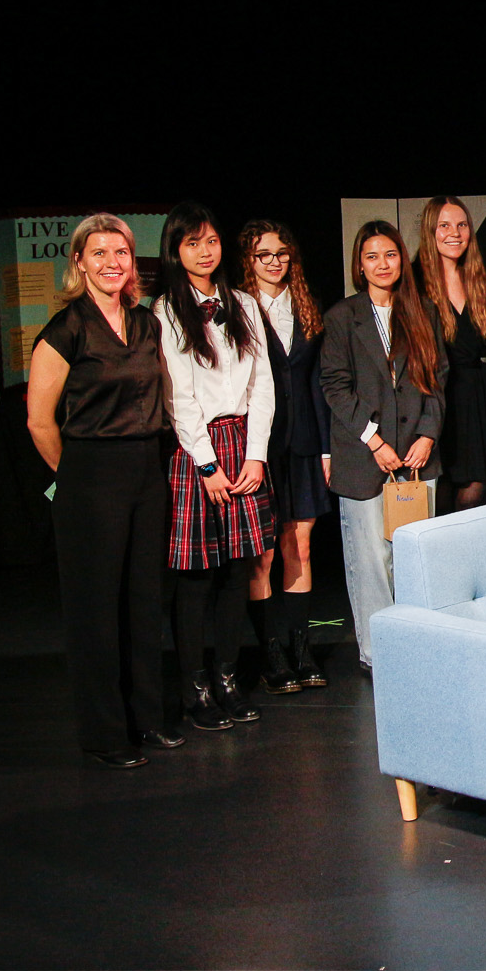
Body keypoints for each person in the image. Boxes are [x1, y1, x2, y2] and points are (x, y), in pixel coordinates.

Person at [25, 214, 173, 769]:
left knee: (143, 602)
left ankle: (147, 718)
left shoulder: (146, 323)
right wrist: (74, 478)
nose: (113, 262)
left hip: (146, 470)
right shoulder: (66, 329)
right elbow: (39, 421)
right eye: (100, 253)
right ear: (79, 263)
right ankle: (105, 733)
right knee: (96, 611)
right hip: (90, 474)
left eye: (121, 253)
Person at [154, 202, 277, 730]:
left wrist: (256, 454)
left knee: (237, 571)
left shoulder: (243, 303)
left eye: (211, 241)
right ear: (175, 251)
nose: (205, 251)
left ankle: (227, 678)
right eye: (192, 243)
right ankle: (194, 687)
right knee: (196, 577)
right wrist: (207, 466)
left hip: (243, 443)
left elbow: (264, 385)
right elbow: (178, 396)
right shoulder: (166, 309)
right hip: (196, 451)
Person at [320, 220, 446, 668]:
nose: (382, 264)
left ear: (401, 260)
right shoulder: (342, 316)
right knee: (370, 560)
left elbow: (438, 377)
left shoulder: (423, 311)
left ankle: (413, 646)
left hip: (416, 457)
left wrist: (428, 434)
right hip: (364, 457)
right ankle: (377, 654)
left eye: (390, 255)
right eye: (372, 256)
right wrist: (374, 440)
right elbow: (335, 386)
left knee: (412, 557)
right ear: (360, 264)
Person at [238, 219, 334, 694]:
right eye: (264, 254)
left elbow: (317, 383)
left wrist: (326, 447)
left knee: (301, 545)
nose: (274, 262)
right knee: (264, 552)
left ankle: (301, 649)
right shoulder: (238, 308)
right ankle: (271, 654)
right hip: (259, 446)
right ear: (249, 260)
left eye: (281, 253)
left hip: (304, 442)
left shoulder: (305, 304)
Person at [417, 197, 486, 514]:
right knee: (437, 503)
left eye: (461, 225)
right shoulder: (413, 282)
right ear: (430, 230)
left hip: (476, 402)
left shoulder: (481, 279)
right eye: (444, 225)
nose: (454, 233)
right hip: (434, 401)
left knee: (473, 501)